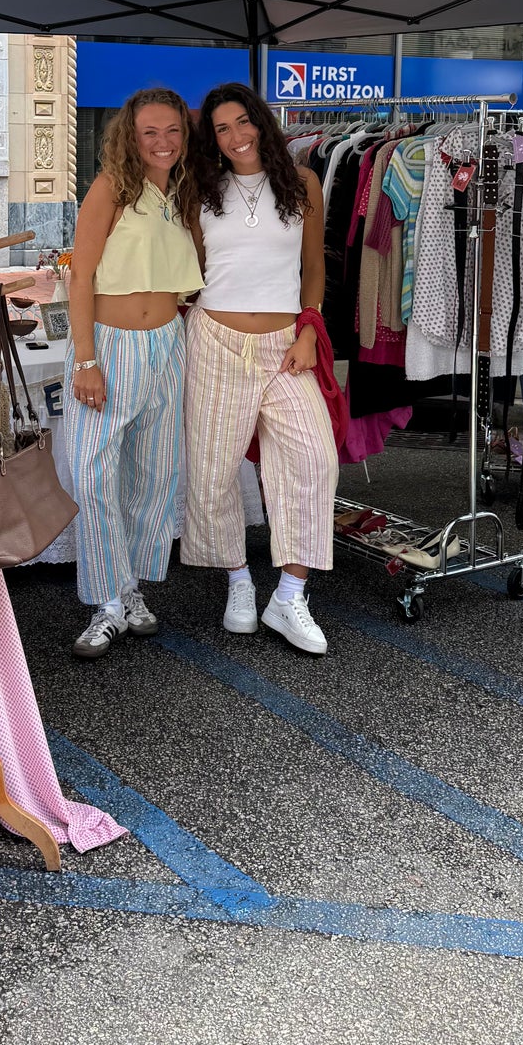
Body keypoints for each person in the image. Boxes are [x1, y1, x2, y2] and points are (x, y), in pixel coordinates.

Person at [181, 83, 339, 655]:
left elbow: (314, 267)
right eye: (222, 129)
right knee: (214, 469)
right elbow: (194, 268)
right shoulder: (200, 189)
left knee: (314, 457)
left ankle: (290, 593)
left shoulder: (303, 183)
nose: (236, 136)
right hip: (214, 340)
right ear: (213, 140)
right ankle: (240, 582)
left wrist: (307, 328)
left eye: (243, 122)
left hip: (285, 345)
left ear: (262, 122)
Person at [64, 88, 202, 659]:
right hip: (112, 347)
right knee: (95, 475)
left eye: (172, 130)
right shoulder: (110, 189)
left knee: (153, 476)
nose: (163, 142)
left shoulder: (187, 193)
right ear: (130, 135)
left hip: (168, 345)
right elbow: (80, 277)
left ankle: (131, 588)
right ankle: (106, 602)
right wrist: (86, 359)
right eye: (150, 132)